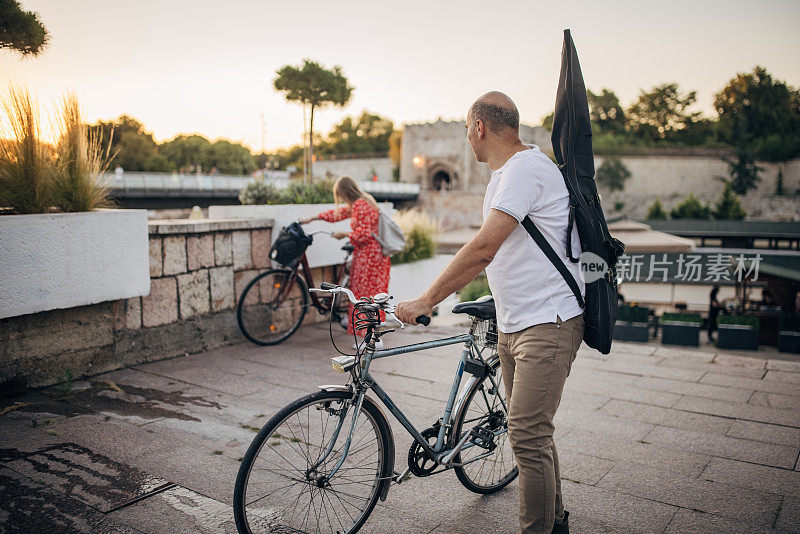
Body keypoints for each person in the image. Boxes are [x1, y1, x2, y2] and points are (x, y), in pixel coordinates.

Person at [396, 92, 583, 534]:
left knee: (526, 435)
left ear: (479, 127)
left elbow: (483, 248)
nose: (466, 137)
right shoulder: (508, 173)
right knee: (535, 433)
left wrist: (428, 300)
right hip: (516, 321)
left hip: (547, 323)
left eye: (466, 128)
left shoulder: (524, 170)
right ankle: (556, 523)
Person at [301, 176, 390, 348]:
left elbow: (366, 233)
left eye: (339, 195)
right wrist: (313, 218)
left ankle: (372, 339)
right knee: (373, 296)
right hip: (374, 257)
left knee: (365, 297)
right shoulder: (364, 201)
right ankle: (373, 336)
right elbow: (337, 214)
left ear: (344, 192)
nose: (340, 199)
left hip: (369, 258)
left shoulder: (360, 205)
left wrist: (345, 234)